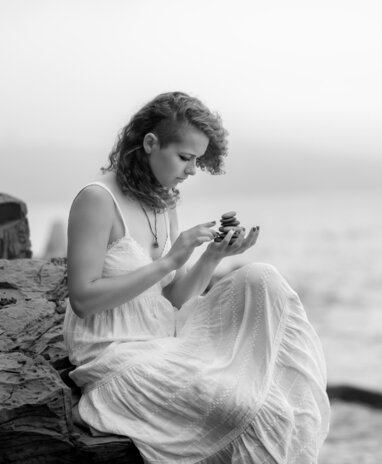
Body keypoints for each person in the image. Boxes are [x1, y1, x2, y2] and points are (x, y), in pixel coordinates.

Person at [63, 91, 330, 463]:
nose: (191, 171)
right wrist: (169, 260)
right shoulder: (96, 200)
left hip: (165, 339)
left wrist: (211, 257)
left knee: (261, 280)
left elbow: (172, 299)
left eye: (197, 161)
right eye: (185, 158)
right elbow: (83, 298)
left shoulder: (164, 200)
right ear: (151, 143)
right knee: (243, 410)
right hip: (116, 352)